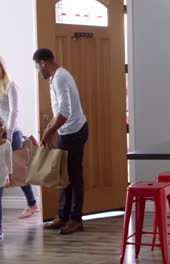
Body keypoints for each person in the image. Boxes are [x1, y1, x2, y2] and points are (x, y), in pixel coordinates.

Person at [33, 48, 88, 235]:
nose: (38, 71)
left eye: (36, 67)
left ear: (42, 63)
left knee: (73, 176)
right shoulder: (55, 78)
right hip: (66, 131)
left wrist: (49, 132)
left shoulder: (61, 77)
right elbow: (60, 111)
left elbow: (66, 112)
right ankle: (62, 217)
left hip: (74, 132)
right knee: (63, 176)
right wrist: (52, 128)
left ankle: (75, 220)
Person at [0, 57, 40, 218]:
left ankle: (32, 204)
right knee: (5, 170)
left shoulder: (11, 86)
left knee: (17, 170)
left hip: (11, 133)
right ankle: (32, 203)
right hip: (1, 131)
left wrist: (8, 134)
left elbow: (14, 111)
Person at [0, 117, 12, 240]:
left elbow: (9, 162)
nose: (0, 127)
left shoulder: (7, 144)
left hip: (1, 177)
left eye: (1, 125)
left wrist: (9, 176)